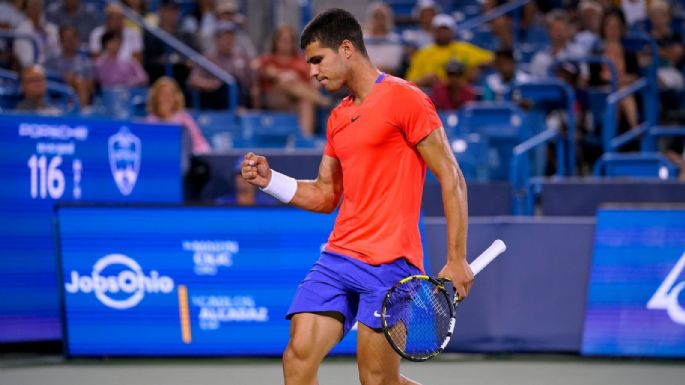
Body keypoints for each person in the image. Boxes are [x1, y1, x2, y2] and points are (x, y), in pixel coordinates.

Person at [240, 9, 471, 385]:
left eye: (318, 60)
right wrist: (271, 181)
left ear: (346, 48)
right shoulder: (337, 118)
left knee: (378, 381)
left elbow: (452, 177)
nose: (312, 72)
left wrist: (457, 258)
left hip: (391, 265)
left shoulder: (406, 99)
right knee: (297, 360)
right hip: (339, 258)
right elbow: (325, 194)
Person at [255, 24, 331, 135]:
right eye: (283, 40)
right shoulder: (267, 59)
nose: (286, 44)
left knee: (306, 103)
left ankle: (306, 140)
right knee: (285, 81)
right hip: (275, 97)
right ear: (275, 42)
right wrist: (284, 74)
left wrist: (314, 82)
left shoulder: (301, 60)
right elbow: (264, 72)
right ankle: (324, 102)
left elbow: (312, 78)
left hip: (296, 100)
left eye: (289, 41)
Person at [145, 76, 211, 155]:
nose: (166, 98)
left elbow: (201, 145)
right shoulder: (149, 121)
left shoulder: (185, 119)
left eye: (170, 94)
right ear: (155, 97)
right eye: (162, 94)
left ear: (176, 97)